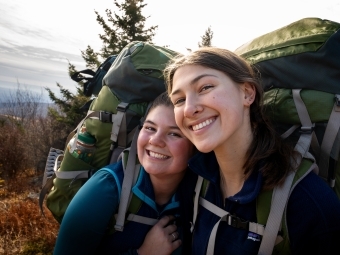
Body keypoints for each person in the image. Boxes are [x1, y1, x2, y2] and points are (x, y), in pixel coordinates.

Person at [164, 47, 340, 255]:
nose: (189, 109)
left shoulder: (309, 204)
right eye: (179, 100)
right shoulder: (194, 181)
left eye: (205, 87)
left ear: (247, 93)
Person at [53, 92, 197, 255]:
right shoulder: (106, 187)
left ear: (196, 145)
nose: (155, 140)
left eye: (174, 133)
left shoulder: (201, 195)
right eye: (150, 128)